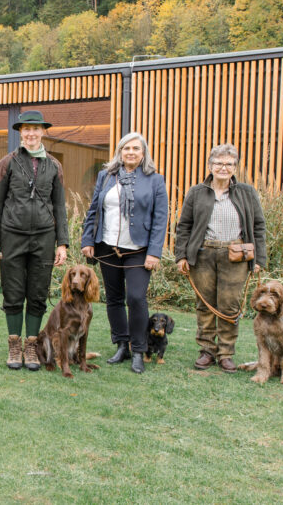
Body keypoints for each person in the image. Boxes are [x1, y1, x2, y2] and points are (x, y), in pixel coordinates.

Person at [0, 110, 69, 371]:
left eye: (35, 129)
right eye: (26, 129)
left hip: (44, 238)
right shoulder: (7, 163)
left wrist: (62, 243)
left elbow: (60, 206)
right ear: (20, 132)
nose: (31, 133)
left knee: (37, 293)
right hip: (11, 236)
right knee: (12, 292)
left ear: (43, 132)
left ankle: (31, 346)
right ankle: (14, 345)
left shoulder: (54, 166)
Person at [81, 132, 168, 374]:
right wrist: (88, 239)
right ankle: (122, 344)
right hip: (107, 246)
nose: (130, 152)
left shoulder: (155, 180)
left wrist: (154, 252)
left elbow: (160, 218)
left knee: (136, 298)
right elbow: (94, 210)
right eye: (126, 148)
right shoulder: (106, 176)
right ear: (119, 152)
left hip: (138, 250)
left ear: (143, 153)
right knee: (114, 298)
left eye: (135, 148)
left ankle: (139, 349)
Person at [175, 143, 265, 373]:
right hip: (203, 255)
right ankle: (207, 351)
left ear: (235, 167)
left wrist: (259, 260)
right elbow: (184, 226)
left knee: (229, 306)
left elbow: (258, 226)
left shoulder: (246, 192)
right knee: (204, 305)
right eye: (218, 163)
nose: (223, 167)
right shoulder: (197, 192)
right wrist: (181, 256)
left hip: (236, 256)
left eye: (229, 164)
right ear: (210, 166)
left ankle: (226, 353)